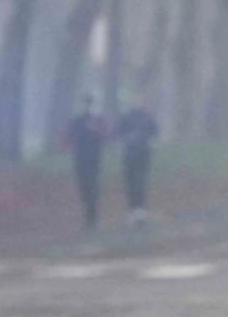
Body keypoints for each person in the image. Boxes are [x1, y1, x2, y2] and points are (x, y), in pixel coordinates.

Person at [64, 95, 109, 231]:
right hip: (80, 158)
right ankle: (86, 215)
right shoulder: (77, 121)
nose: (88, 106)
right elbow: (68, 137)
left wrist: (97, 132)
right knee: (83, 186)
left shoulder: (98, 121)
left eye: (89, 104)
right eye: (86, 104)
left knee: (93, 186)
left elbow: (106, 136)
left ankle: (93, 217)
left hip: (94, 158)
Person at [116, 99, 160, 224]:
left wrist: (149, 144)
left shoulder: (148, 118)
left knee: (140, 181)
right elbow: (118, 132)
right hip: (129, 155)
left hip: (143, 154)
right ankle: (132, 210)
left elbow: (155, 133)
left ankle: (140, 210)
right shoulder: (126, 118)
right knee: (130, 182)